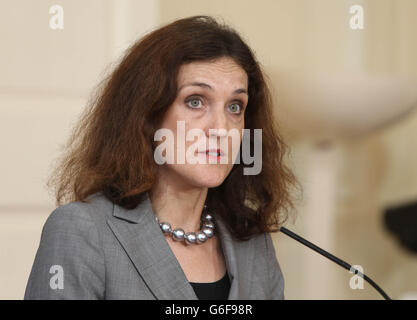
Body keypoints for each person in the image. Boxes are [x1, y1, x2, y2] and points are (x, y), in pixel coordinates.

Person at [24, 15, 298, 300]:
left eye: (235, 107)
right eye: (195, 101)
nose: (221, 129)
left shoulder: (253, 244)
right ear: (148, 117)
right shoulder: (82, 231)